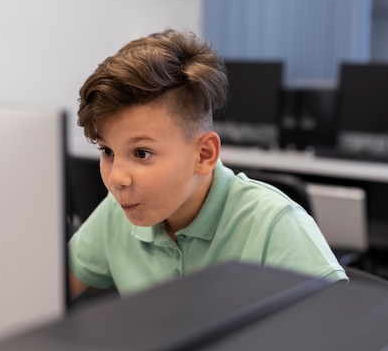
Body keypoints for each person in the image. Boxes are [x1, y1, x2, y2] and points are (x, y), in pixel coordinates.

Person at [68, 29, 347, 300]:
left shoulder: (272, 224)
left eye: (141, 153)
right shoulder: (117, 212)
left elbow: (344, 334)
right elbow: (50, 292)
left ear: (203, 155)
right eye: (107, 151)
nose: (117, 178)